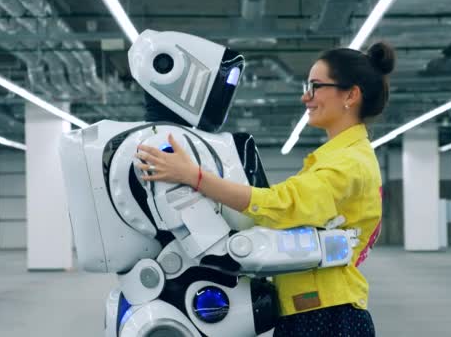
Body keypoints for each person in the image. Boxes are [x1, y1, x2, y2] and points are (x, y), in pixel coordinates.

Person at [135, 41, 395, 336]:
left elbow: (281, 206)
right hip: (312, 311)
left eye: (315, 86)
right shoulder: (340, 157)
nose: (305, 97)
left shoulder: (348, 163)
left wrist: (194, 176)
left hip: (326, 318)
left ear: (350, 94)